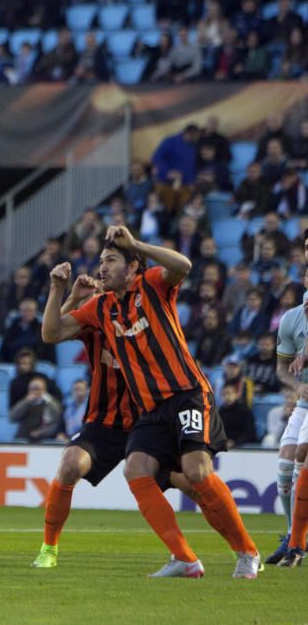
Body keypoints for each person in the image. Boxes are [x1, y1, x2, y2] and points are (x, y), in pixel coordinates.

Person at [42, 226, 260, 579]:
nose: (102, 267)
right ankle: (185, 558)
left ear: (132, 267)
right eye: (101, 261)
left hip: (187, 393)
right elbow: (51, 333)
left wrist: (137, 244)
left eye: (111, 260)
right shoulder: (101, 307)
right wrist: (56, 289)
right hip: (152, 410)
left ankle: (247, 552)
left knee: (197, 472)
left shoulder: (154, 284)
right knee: (136, 468)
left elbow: (184, 264)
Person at [271, 281, 308, 566]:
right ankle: (290, 535)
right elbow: (281, 370)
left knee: (301, 455)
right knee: (284, 467)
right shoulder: (291, 319)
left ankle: (299, 541)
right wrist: (296, 388)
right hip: (305, 400)